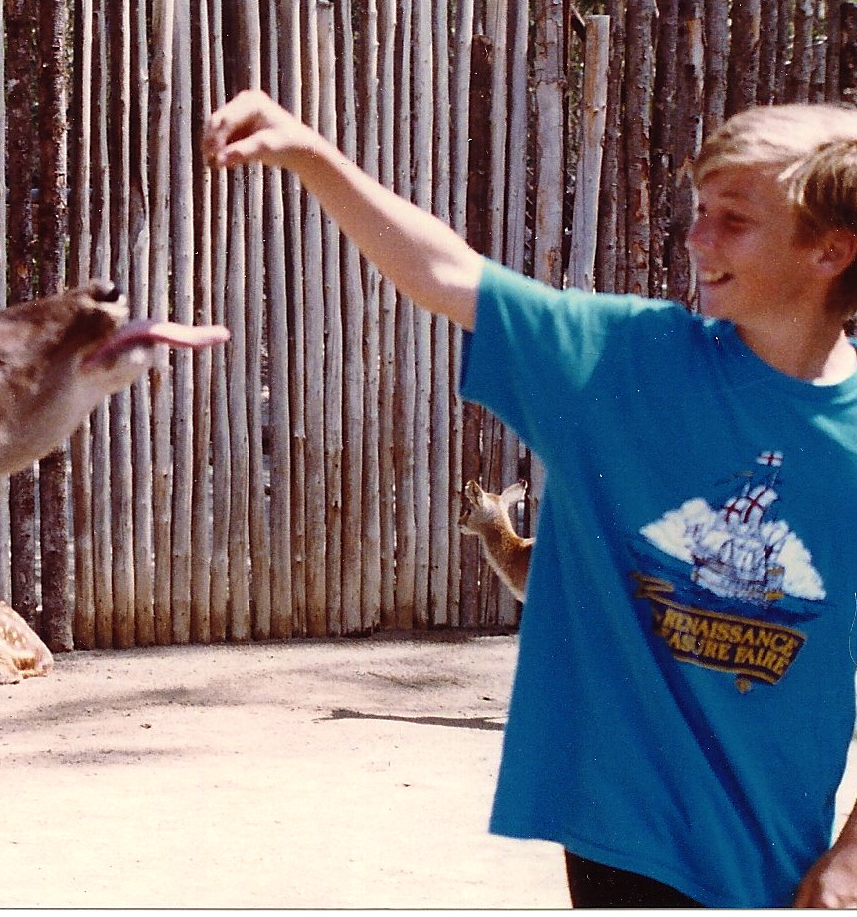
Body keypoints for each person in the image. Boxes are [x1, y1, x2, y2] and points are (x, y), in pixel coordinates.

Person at [202, 89, 857, 908]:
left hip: (778, 860)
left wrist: (849, 857)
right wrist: (312, 156)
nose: (695, 238)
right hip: (625, 836)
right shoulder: (627, 361)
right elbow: (447, 275)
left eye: (733, 218)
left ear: (829, 250)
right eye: (696, 210)